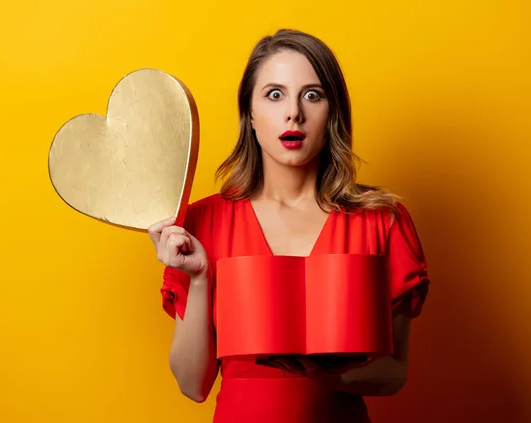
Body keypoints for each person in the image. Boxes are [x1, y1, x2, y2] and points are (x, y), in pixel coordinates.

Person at [148, 29, 430, 423]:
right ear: (249, 114)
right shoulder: (203, 223)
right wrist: (199, 278)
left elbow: (394, 373)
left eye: (312, 95)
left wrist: (330, 376)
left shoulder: (382, 221)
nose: (294, 112)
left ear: (333, 112)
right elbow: (193, 385)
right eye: (275, 94)